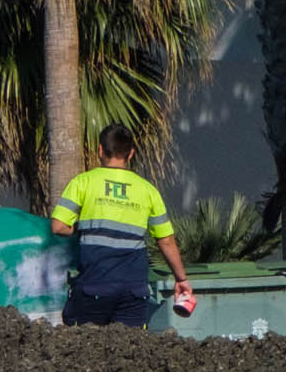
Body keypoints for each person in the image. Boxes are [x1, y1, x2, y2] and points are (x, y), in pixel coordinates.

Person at [51, 127, 196, 329]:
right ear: (131, 153)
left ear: (100, 150)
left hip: (93, 286)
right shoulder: (148, 191)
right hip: (133, 290)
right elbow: (166, 241)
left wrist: (83, 228)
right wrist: (181, 279)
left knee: (86, 353)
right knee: (131, 352)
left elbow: (58, 226)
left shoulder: (82, 182)